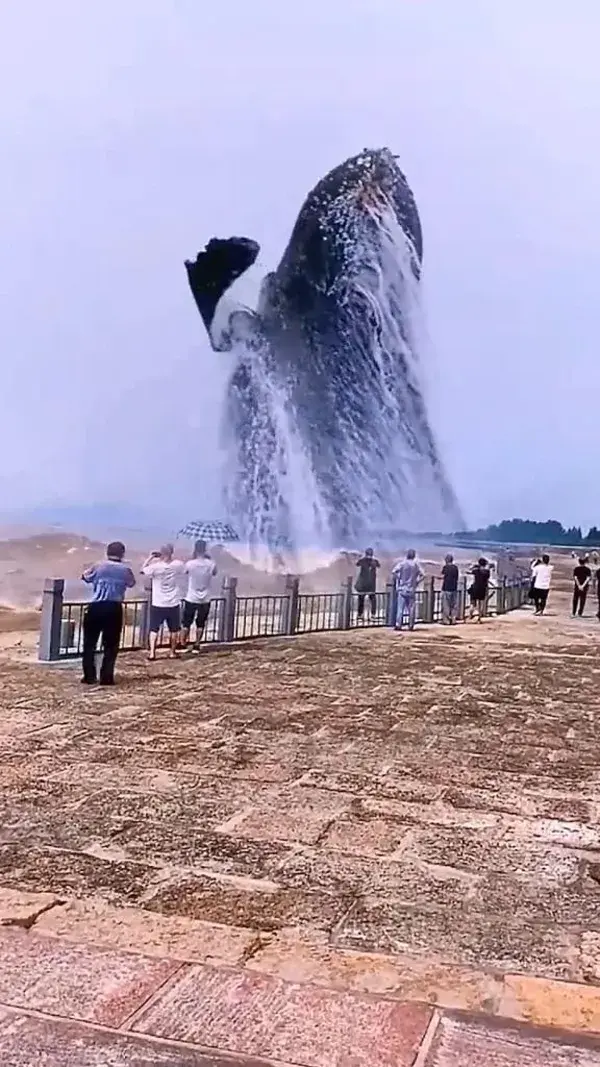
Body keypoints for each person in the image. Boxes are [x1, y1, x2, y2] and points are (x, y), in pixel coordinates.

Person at [81, 541, 136, 685]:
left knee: (89, 644)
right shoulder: (125, 570)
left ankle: (89, 676)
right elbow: (131, 583)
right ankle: (106, 676)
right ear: (122, 554)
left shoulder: (99, 566)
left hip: (96, 606)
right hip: (114, 607)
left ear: (107, 552)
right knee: (111, 645)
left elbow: (85, 577)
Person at [141, 544, 185, 660]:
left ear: (161, 553)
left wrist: (150, 557)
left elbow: (143, 570)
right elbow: (184, 571)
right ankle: (172, 652)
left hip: (158, 603)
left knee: (154, 629)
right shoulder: (177, 565)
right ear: (171, 553)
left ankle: (152, 653)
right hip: (173, 602)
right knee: (174, 629)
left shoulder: (155, 567)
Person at [182, 539, 218, 650]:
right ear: (205, 549)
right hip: (205, 598)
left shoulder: (190, 564)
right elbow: (215, 573)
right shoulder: (211, 564)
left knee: (186, 622)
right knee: (201, 623)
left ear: (195, 549)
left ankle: (183, 643)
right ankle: (197, 644)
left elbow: (185, 572)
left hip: (191, 597)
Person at [392, 549, 424, 631]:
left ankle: (398, 624)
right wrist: (416, 582)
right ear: (414, 556)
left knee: (400, 608)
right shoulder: (416, 565)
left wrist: (399, 578)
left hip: (402, 588)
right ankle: (411, 625)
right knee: (411, 609)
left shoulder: (403, 563)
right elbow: (423, 575)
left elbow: (394, 571)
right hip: (411, 589)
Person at [355, 547, 380, 619]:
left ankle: (360, 614)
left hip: (363, 584)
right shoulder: (375, 561)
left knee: (361, 599)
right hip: (371, 584)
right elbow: (379, 565)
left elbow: (357, 564)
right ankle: (373, 614)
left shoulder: (362, 561)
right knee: (373, 599)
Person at [469, 557, 491, 622]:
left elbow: (469, 570)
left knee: (472, 602)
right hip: (482, 588)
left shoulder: (476, 571)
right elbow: (488, 576)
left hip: (475, 587)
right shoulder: (486, 572)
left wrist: (474, 566)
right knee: (480, 603)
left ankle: (470, 615)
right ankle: (479, 618)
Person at [441, 553, 459, 624]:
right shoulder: (455, 568)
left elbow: (442, 575)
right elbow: (457, 577)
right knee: (453, 605)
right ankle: (453, 619)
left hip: (446, 587)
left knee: (446, 605)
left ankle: (447, 620)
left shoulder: (446, 567)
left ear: (447, 560)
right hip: (454, 587)